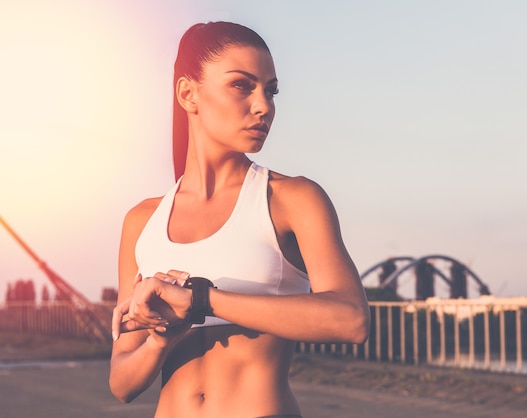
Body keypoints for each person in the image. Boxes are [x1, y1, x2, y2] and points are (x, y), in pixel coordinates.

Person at [109, 21, 370, 418]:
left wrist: (200, 300)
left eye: (271, 90)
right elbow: (122, 384)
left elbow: (351, 320)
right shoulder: (142, 220)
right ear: (188, 93)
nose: (264, 105)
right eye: (242, 85)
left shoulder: (292, 199)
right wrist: (162, 338)